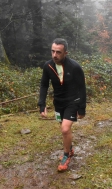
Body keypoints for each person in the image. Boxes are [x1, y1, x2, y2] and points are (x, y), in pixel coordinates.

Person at [37, 38, 86, 172]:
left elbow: (82, 87)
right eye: (52, 51)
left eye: (58, 52)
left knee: (65, 129)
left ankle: (66, 156)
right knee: (63, 129)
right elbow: (44, 85)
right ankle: (70, 149)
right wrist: (42, 104)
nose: (54, 55)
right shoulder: (48, 66)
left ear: (65, 53)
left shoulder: (75, 67)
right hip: (58, 103)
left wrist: (82, 108)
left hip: (73, 101)